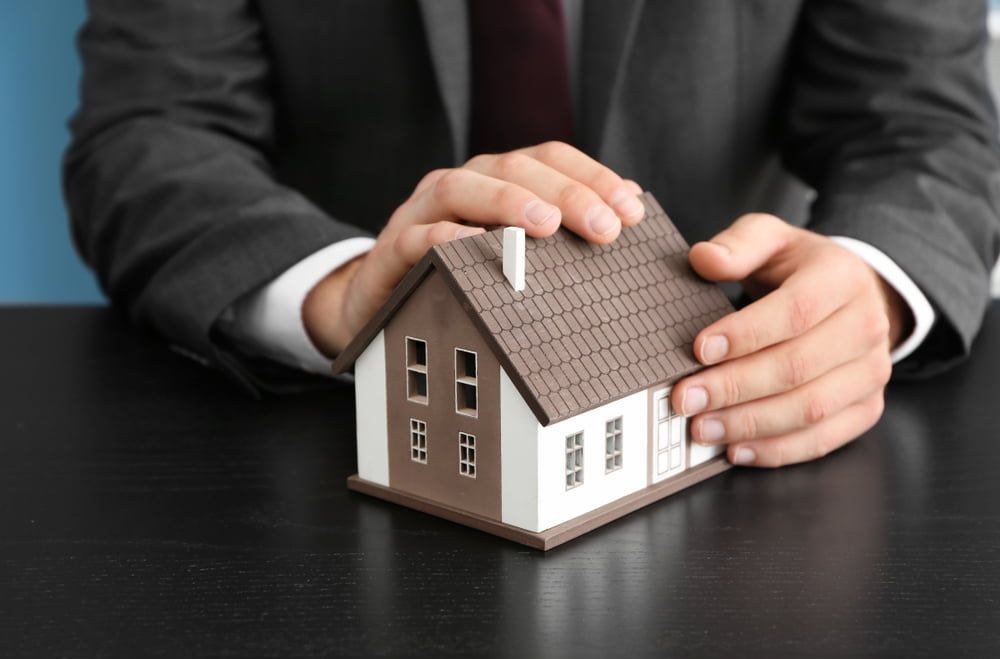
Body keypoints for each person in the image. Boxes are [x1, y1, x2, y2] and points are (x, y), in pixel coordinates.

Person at [64, 1, 1000, 468]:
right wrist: (336, 291)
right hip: (319, 437)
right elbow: (153, 128)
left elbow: (926, 123)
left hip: (731, 406)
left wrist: (872, 285)